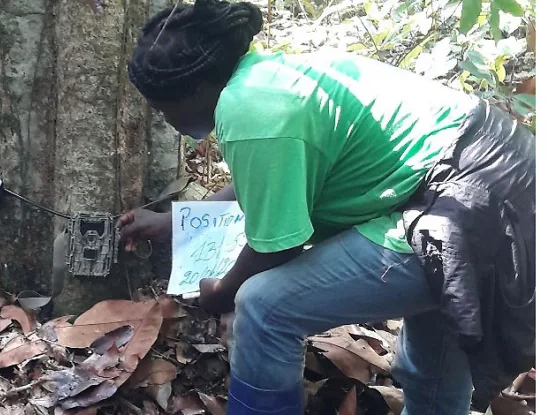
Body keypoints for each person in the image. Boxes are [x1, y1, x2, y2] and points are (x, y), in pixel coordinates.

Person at [118, 1, 536, 414]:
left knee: (264, 307)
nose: (165, 118)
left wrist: (221, 293)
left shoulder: (249, 110)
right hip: (507, 187)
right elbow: (277, 172)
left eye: (161, 107)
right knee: (433, 357)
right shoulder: (269, 76)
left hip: (461, 211)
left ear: (192, 90)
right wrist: (178, 219)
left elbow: (275, 249)